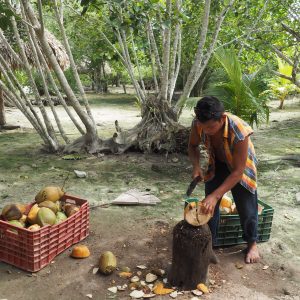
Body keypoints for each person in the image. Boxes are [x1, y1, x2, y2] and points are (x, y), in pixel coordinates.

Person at [188, 96, 260, 263]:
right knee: (208, 207)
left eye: (211, 127)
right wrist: (196, 167)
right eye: (203, 127)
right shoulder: (198, 124)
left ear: (221, 119)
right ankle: (210, 244)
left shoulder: (239, 131)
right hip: (218, 162)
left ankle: (252, 244)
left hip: (241, 167)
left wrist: (215, 195)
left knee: (246, 205)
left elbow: (237, 172)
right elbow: (192, 146)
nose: (206, 131)